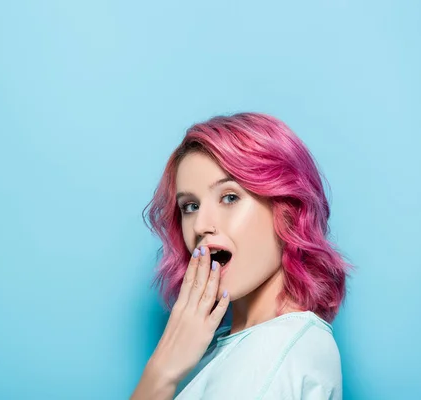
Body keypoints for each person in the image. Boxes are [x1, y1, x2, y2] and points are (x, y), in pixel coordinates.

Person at [130, 112, 350, 400]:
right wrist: (162, 371)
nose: (200, 225)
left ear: (287, 209)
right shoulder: (228, 348)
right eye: (191, 206)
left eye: (229, 197)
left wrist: (161, 374)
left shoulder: (276, 352)